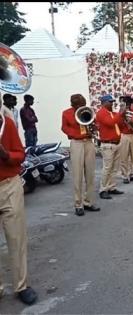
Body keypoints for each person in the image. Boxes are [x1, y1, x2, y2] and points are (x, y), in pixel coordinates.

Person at [0, 94, 38, 305]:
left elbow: (20, 154)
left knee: (16, 238)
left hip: (9, 185)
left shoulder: (7, 124)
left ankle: (21, 285)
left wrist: (6, 155)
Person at [61, 94, 100, 216]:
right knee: (77, 175)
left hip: (88, 142)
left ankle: (88, 202)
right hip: (77, 143)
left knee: (90, 174)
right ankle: (78, 204)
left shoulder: (87, 111)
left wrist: (94, 127)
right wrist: (76, 134)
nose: (82, 106)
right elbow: (64, 128)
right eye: (79, 105)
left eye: (83, 104)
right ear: (73, 104)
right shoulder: (66, 113)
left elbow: (96, 125)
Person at [96, 94, 124, 200]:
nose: (112, 104)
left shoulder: (113, 113)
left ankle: (111, 187)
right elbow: (110, 123)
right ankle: (103, 189)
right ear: (104, 103)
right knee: (107, 168)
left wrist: (122, 116)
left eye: (112, 102)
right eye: (110, 102)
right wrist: (120, 113)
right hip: (108, 144)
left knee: (114, 168)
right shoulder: (101, 113)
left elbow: (119, 125)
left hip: (116, 143)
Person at [119, 97, 133, 184]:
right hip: (124, 135)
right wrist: (122, 114)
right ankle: (125, 175)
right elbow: (118, 123)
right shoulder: (120, 112)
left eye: (128, 104)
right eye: (125, 104)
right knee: (124, 156)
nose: (127, 106)